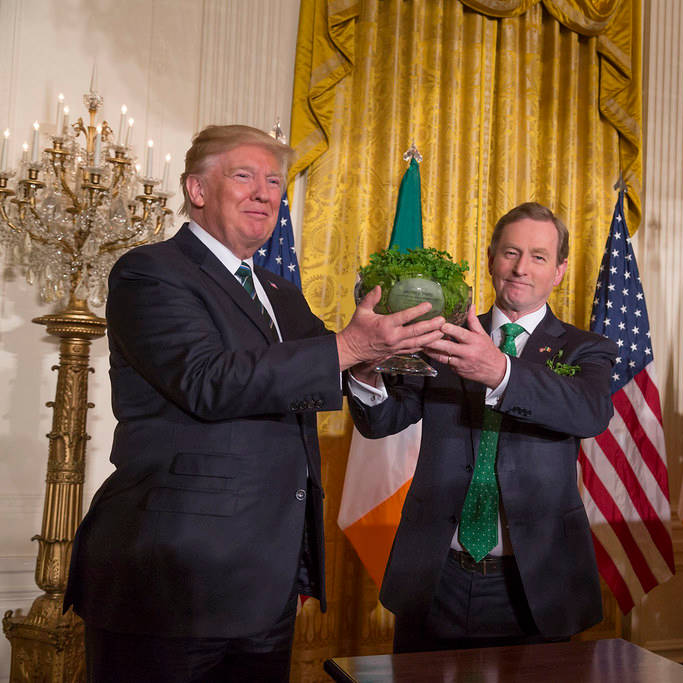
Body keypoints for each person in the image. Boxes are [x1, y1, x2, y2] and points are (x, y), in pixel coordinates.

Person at [64, 124, 444, 682]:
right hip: (172, 583)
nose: (265, 194)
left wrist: (368, 364)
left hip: (266, 585)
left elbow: (327, 378)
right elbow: (206, 380)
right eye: (244, 177)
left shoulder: (282, 293)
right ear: (197, 190)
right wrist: (348, 346)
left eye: (274, 181)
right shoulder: (149, 272)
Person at [346, 202, 617, 653]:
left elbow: (590, 413)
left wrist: (500, 370)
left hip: (537, 583)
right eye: (510, 253)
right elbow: (381, 420)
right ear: (491, 258)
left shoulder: (586, 347)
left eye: (538, 256)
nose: (521, 268)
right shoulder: (440, 335)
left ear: (560, 271)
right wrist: (365, 368)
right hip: (435, 575)